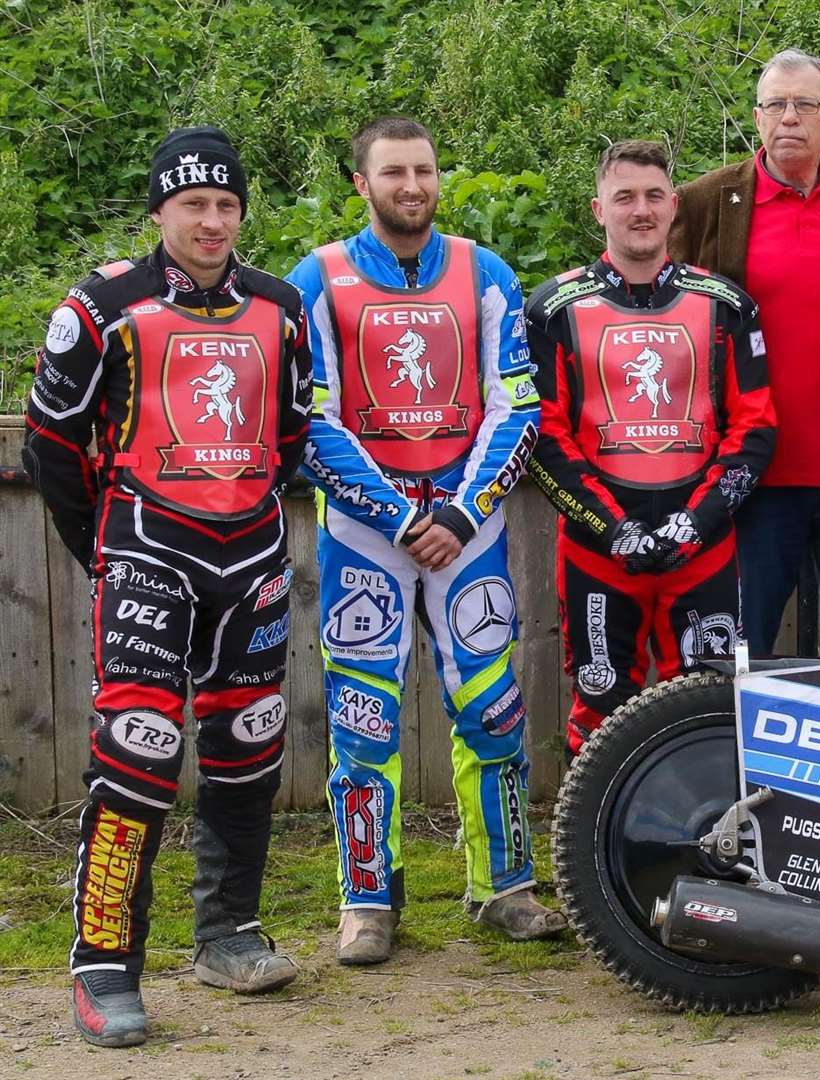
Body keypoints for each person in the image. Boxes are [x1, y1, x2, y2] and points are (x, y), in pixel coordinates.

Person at [26, 127, 310, 1046]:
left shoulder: (281, 306)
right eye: (194, 205)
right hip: (146, 553)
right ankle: (103, 963)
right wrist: (105, 553)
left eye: (227, 205)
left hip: (254, 562)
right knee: (138, 755)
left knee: (249, 749)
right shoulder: (101, 305)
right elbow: (52, 448)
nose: (213, 220)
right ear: (158, 211)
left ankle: (229, 934)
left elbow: (296, 438)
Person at [287, 116, 566, 965]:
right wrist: (399, 516)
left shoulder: (485, 271)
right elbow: (310, 417)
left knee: (494, 709)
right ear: (361, 183)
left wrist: (455, 510)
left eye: (425, 170)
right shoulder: (319, 278)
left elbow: (516, 403)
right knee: (362, 720)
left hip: (466, 530)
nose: (412, 185)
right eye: (394, 172)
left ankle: (505, 886)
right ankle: (366, 900)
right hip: (366, 538)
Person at [525, 139, 776, 756]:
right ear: (598, 208)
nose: (641, 210)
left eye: (654, 196)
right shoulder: (553, 308)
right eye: (625, 197)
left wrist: (699, 521)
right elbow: (542, 433)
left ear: (673, 209)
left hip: (702, 546)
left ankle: (707, 846)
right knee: (600, 706)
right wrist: (610, 528)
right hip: (597, 549)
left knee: (712, 702)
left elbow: (756, 427)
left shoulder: (727, 304)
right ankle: (596, 849)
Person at [670, 48, 820, 659]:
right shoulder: (704, 204)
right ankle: (731, 759)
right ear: (756, 116)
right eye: (776, 105)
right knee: (739, 656)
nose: (790, 117)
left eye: (806, 105)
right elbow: (660, 314)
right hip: (753, 477)